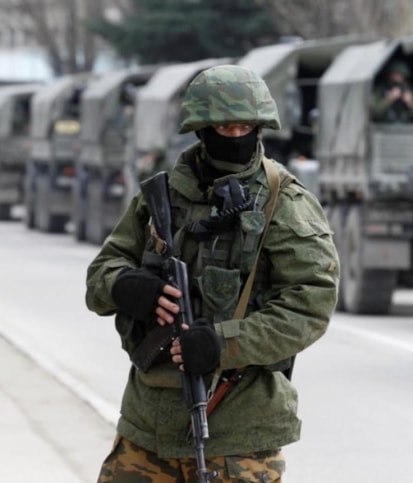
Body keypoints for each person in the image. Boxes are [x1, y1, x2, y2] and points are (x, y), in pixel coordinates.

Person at [86, 64, 339, 482]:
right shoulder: (163, 196)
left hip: (238, 433)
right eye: (224, 127)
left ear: (260, 128)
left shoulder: (284, 203)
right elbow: (101, 274)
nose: (236, 136)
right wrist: (127, 286)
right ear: (201, 130)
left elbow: (309, 308)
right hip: (147, 429)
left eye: (245, 127)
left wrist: (222, 344)